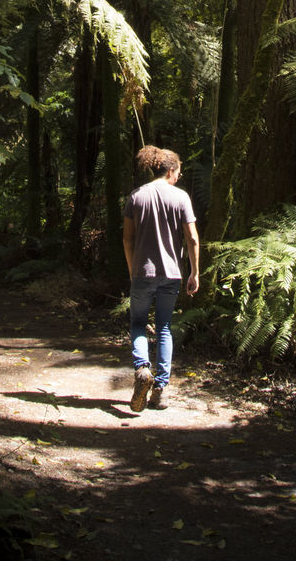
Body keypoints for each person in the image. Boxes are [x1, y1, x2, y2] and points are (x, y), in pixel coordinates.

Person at [122, 145, 200, 412]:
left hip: (142, 272)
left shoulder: (136, 196)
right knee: (165, 327)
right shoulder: (181, 198)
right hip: (171, 274)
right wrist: (194, 271)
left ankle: (142, 368)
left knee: (138, 324)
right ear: (170, 170)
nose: (179, 176)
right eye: (178, 171)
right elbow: (192, 238)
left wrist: (133, 269)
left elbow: (127, 238)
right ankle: (159, 389)